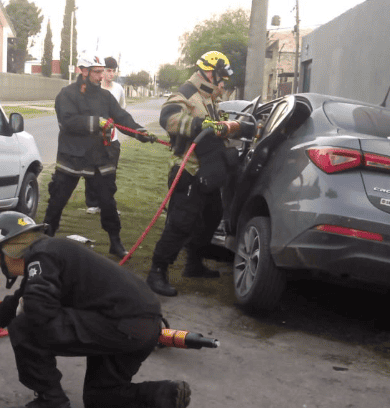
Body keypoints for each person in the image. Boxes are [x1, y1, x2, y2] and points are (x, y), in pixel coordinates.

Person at [0, 211, 192, 408]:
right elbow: (3, 313)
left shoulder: (42, 256)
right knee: (101, 398)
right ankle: (161, 393)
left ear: (9, 249)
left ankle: (51, 404)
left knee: (25, 326)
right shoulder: (49, 256)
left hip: (122, 325)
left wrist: (25, 307)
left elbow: (36, 313)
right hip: (137, 328)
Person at [146, 51, 254, 297]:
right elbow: (169, 118)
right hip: (190, 172)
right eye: (222, 77)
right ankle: (157, 271)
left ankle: (193, 264)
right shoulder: (186, 93)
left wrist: (239, 127)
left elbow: (219, 127)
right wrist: (201, 126)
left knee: (212, 217)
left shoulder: (210, 99)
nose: (224, 83)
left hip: (208, 175)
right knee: (180, 224)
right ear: (209, 72)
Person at [43, 51, 156, 258]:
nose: (100, 76)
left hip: (98, 158)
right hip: (72, 157)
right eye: (96, 72)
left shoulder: (106, 96)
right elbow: (67, 122)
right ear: (83, 71)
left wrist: (139, 132)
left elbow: (121, 117)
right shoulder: (66, 94)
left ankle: (115, 242)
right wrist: (96, 122)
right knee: (57, 200)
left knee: (107, 202)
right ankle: (46, 238)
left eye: (102, 72)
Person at [85, 56, 126, 215]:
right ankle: (92, 203)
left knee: (110, 173)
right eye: (108, 70)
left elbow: (121, 111)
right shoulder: (93, 88)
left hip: (112, 139)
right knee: (93, 171)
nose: (110, 74)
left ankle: (107, 203)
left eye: (113, 71)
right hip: (94, 138)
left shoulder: (119, 89)